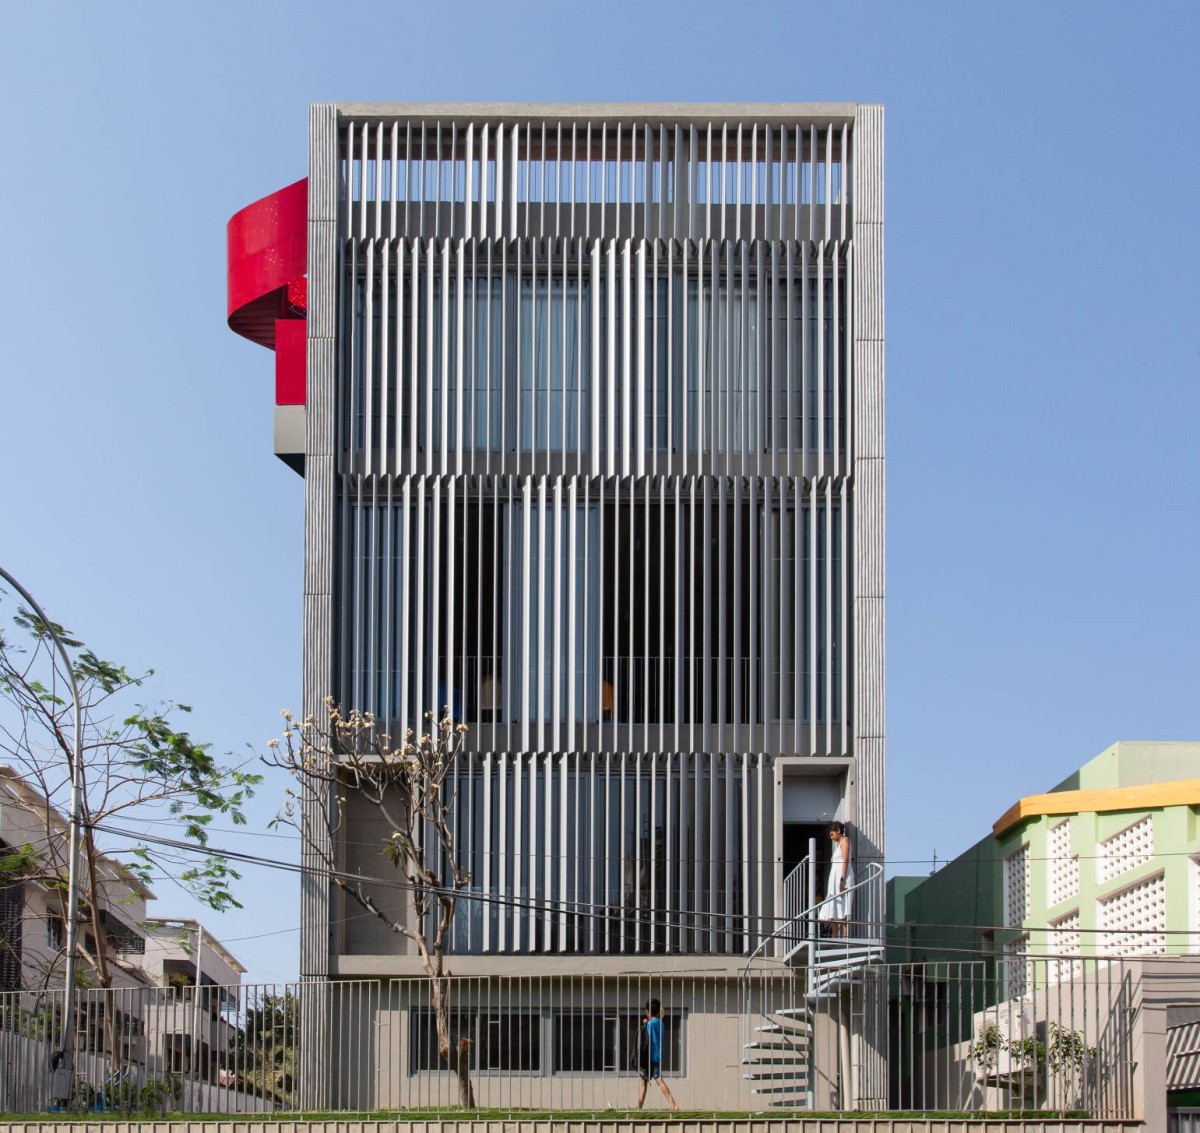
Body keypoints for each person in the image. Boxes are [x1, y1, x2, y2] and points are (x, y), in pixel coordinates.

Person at [636, 998, 679, 1111]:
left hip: (650, 1056)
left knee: (657, 1080)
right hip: (657, 1055)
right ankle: (639, 1107)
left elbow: (646, 1039)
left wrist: (645, 1025)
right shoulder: (662, 1024)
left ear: (648, 1012)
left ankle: (673, 1104)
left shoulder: (649, 1024)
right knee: (644, 1080)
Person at [817, 821, 855, 938]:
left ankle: (844, 938)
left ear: (838, 830)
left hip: (842, 878)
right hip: (835, 881)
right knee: (833, 907)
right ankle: (834, 936)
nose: (831, 837)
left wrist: (842, 880)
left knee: (843, 909)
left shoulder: (845, 841)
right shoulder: (838, 844)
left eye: (832, 834)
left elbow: (845, 860)